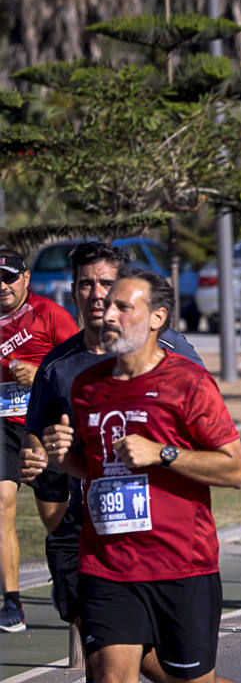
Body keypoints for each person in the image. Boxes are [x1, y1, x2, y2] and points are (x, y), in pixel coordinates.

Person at [18, 242, 216, 683]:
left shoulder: (173, 350)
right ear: (73, 293)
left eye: (106, 283)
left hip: (165, 533)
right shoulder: (60, 366)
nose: (95, 294)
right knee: (106, 670)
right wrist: (38, 451)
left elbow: (211, 439)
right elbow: (39, 434)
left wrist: (160, 450)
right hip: (88, 532)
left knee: (176, 676)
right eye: (85, 284)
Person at [0, 247, 78, 630]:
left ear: (25, 279)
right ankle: (11, 601)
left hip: (44, 424)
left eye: (9, 277)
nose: (3, 286)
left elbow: (80, 362)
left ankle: (66, 569)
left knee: (54, 519)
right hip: (3, 425)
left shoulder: (49, 315)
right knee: (2, 500)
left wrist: (40, 371)